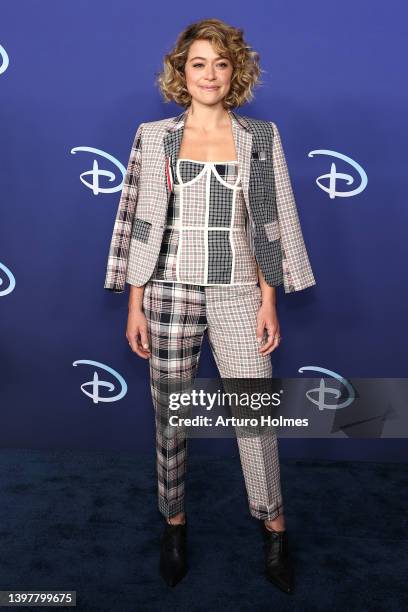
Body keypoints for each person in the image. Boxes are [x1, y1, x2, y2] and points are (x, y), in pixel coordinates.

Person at [104, 18, 316, 593]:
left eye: (221, 63)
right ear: (181, 71)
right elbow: (137, 220)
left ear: (236, 72)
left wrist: (269, 300)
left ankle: (274, 528)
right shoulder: (153, 136)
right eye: (199, 63)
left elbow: (272, 223)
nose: (210, 74)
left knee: (255, 417)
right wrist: (134, 303)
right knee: (172, 421)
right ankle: (174, 524)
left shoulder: (261, 138)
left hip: (240, 295)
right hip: (167, 291)